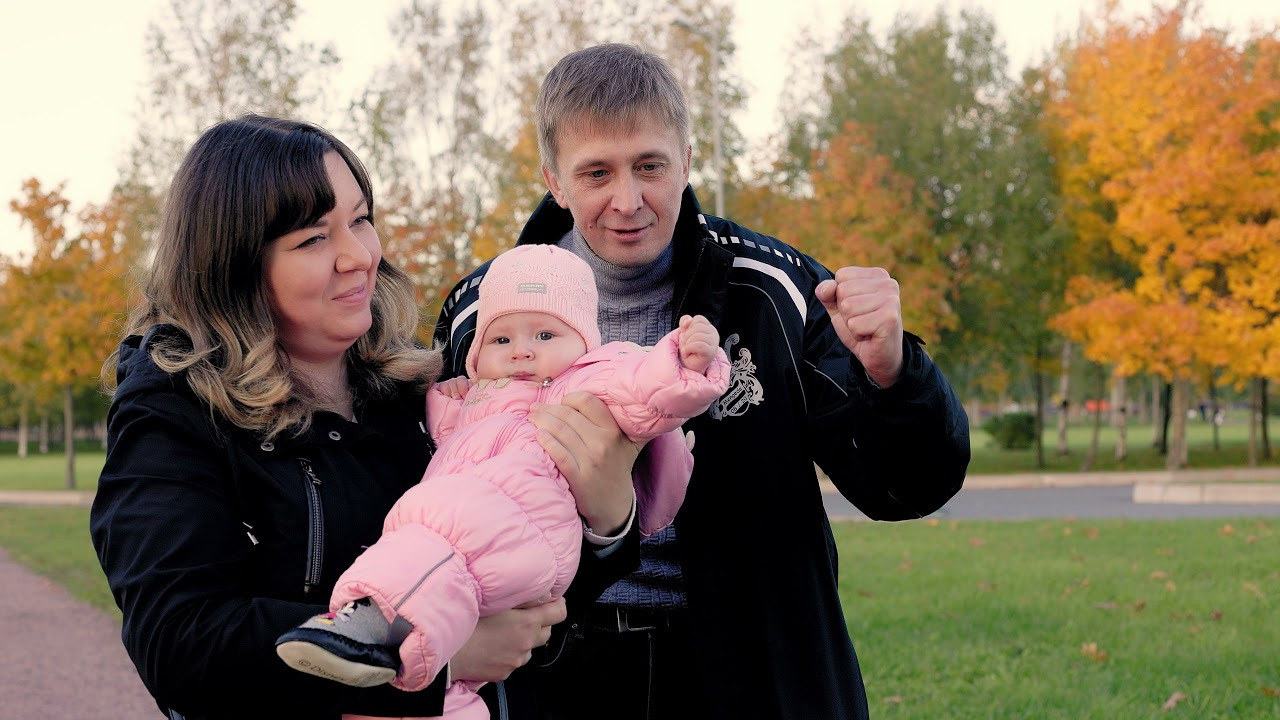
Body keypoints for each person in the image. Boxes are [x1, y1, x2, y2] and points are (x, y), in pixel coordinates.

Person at [431, 44, 972, 719]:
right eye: (596, 172)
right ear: (555, 180)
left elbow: (903, 488)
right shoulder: (482, 313)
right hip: (553, 674)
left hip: (749, 672)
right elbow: (444, 495)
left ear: (686, 160)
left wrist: (894, 371)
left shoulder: (774, 288)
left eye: (649, 166)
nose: (627, 200)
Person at [88, 113, 648, 720]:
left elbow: (530, 565)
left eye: (359, 220)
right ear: (235, 265)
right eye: (313, 239)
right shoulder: (176, 410)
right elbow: (180, 641)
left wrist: (608, 519)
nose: (358, 256)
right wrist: (435, 657)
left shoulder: (423, 392)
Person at [275, 244, 729, 719]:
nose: (522, 351)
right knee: (443, 686)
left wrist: (688, 359)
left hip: (516, 530)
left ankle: (366, 622)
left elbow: (653, 389)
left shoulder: (587, 381)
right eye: (501, 340)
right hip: (484, 537)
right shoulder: (475, 397)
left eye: (545, 333)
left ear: (585, 344)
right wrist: (449, 400)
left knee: (431, 534)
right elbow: (441, 434)